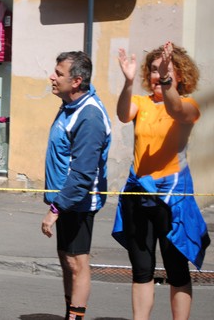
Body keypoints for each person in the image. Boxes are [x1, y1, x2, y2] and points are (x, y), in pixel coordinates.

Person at [112, 42, 210, 320]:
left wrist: (167, 81)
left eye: (165, 70)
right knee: (141, 270)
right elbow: (122, 114)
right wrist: (128, 82)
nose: (158, 75)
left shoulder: (189, 106)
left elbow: (175, 109)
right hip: (138, 193)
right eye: (154, 70)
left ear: (181, 75)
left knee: (177, 270)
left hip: (173, 198)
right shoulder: (142, 103)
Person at [41, 51, 111, 320]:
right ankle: (70, 313)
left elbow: (82, 173)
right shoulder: (70, 105)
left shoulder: (89, 116)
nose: (52, 76)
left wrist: (55, 210)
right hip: (66, 199)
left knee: (77, 262)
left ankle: (76, 317)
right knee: (66, 260)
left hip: (79, 200)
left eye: (59, 73)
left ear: (76, 81)